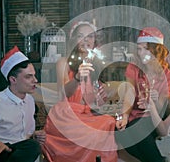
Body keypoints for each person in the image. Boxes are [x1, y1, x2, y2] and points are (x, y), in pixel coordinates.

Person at [42, 21, 118, 162]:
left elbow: (94, 102)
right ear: (73, 40)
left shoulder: (96, 65)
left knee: (108, 121)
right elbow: (62, 94)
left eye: (90, 36)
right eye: (80, 36)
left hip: (87, 114)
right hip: (66, 114)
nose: (86, 40)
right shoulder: (63, 63)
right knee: (95, 128)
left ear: (94, 41)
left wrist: (99, 99)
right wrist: (77, 77)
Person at [115, 27, 170, 162]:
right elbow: (129, 94)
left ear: (156, 51)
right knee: (121, 131)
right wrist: (124, 116)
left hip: (153, 120)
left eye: (145, 49)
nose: (140, 53)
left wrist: (154, 101)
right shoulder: (133, 68)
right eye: (139, 48)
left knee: (137, 130)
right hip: (134, 118)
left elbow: (161, 109)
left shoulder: (168, 76)